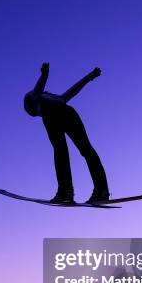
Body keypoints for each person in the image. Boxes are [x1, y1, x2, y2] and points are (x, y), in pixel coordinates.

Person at [24, 63, 109, 204]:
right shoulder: (53, 98)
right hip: (68, 113)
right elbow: (71, 91)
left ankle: (67, 192)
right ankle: (101, 191)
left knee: (62, 153)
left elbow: (70, 90)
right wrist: (89, 77)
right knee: (85, 150)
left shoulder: (48, 98)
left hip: (54, 116)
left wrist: (44, 75)